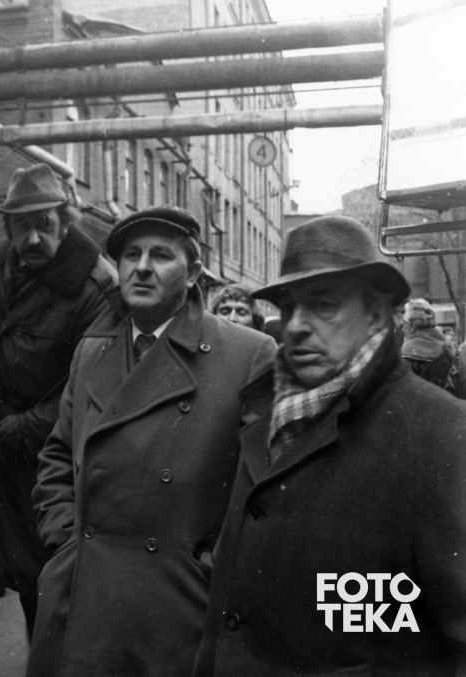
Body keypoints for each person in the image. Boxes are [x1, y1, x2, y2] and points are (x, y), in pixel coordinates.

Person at [194, 215, 466, 676]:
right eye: (289, 306)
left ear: (376, 313)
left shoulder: (440, 432)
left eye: (322, 304)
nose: (296, 325)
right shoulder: (267, 411)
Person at [27, 205, 276, 676]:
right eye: (131, 255)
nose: (142, 267)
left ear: (193, 272)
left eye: (161, 255)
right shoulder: (91, 351)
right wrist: (66, 540)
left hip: (177, 608)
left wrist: (207, 569)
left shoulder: (247, 353)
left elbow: (263, 490)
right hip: (80, 592)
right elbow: (57, 454)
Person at [0, 163, 116, 638]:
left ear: (66, 221)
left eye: (45, 223)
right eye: (22, 225)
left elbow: (94, 390)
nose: (33, 238)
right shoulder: (11, 267)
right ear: (8, 227)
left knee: (61, 585)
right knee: (27, 581)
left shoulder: (97, 288)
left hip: (59, 460)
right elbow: (19, 332)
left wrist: (20, 428)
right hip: (12, 455)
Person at [400, 297, 466, 397]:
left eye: (404, 324)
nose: (402, 328)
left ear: (412, 326)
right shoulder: (448, 347)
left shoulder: (408, 352)